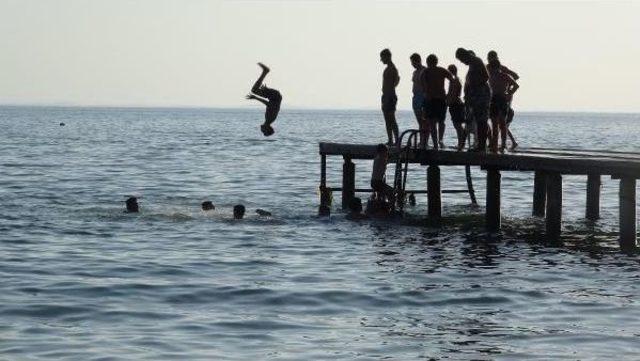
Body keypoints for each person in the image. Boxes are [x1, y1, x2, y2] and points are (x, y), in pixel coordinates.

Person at [456, 48, 491, 152]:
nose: (462, 62)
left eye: (461, 60)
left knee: (481, 121)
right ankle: (480, 145)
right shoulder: (472, 64)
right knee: (477, 120)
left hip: (481, 94)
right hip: (475, 95)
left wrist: (475, 87)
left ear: (465, 55)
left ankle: (481, 146)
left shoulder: (476, 61)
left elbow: (486, 76)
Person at [488, 50, 520, 150]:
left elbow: (516, 84)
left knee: (502, 123)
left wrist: (509, 93)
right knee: (494, 123)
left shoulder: (504, 74)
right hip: (493, 99)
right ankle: (494, 144)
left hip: (502, 99)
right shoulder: (489, 74)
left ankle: (502, 145)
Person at [421, 54, 454, 150]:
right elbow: (452, 80)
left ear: (427, 62)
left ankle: (437, 143)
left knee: (433, 123)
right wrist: (449, 93)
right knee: (440, 121)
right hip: (440, 99)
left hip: (433, 99)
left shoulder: (426, 71)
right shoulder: (441, 70)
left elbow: (422, 83)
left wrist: (426, 93)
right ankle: (439, 141)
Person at [246, 63, 282, 136]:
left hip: (274, 96)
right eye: (263, 131)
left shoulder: (269, 120)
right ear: (267, 128)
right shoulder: (269, 119)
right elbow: (268, 104)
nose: (261, 130)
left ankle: (265, 72)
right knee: (254, 90)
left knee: (255, 90)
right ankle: (265, 71)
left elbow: (271, 105)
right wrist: (256, 98)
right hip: (275, 96)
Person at [380, 49, 400, 145]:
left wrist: (388, 96)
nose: (381, 60)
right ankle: (391, 140)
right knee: (387, 120)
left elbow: (395, 82)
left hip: (390, 96)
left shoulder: (392, 69)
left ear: (387, 57)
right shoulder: (389, 68)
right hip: (386, 96)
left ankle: (396, 140)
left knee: (391, 119)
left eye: (382, 57)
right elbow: (397, 81)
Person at [447, 64, 467, 150]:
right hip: (456, 104)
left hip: (455, 104)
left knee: (457, 125)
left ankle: (461, 144)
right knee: (458, 125)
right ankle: (461, 143)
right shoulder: (457, 80)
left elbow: (454, 94)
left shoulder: (454, 81)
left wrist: (448, 101)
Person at [410, 53, 428, 148]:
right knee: (420, 122)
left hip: (423, 97)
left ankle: (424, 141)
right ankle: (421, 140)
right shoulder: (415, 72)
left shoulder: (424, 70)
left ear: (418, 61)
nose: (412, 64)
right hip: (416, 97)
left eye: (413, 62)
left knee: (424, 121)